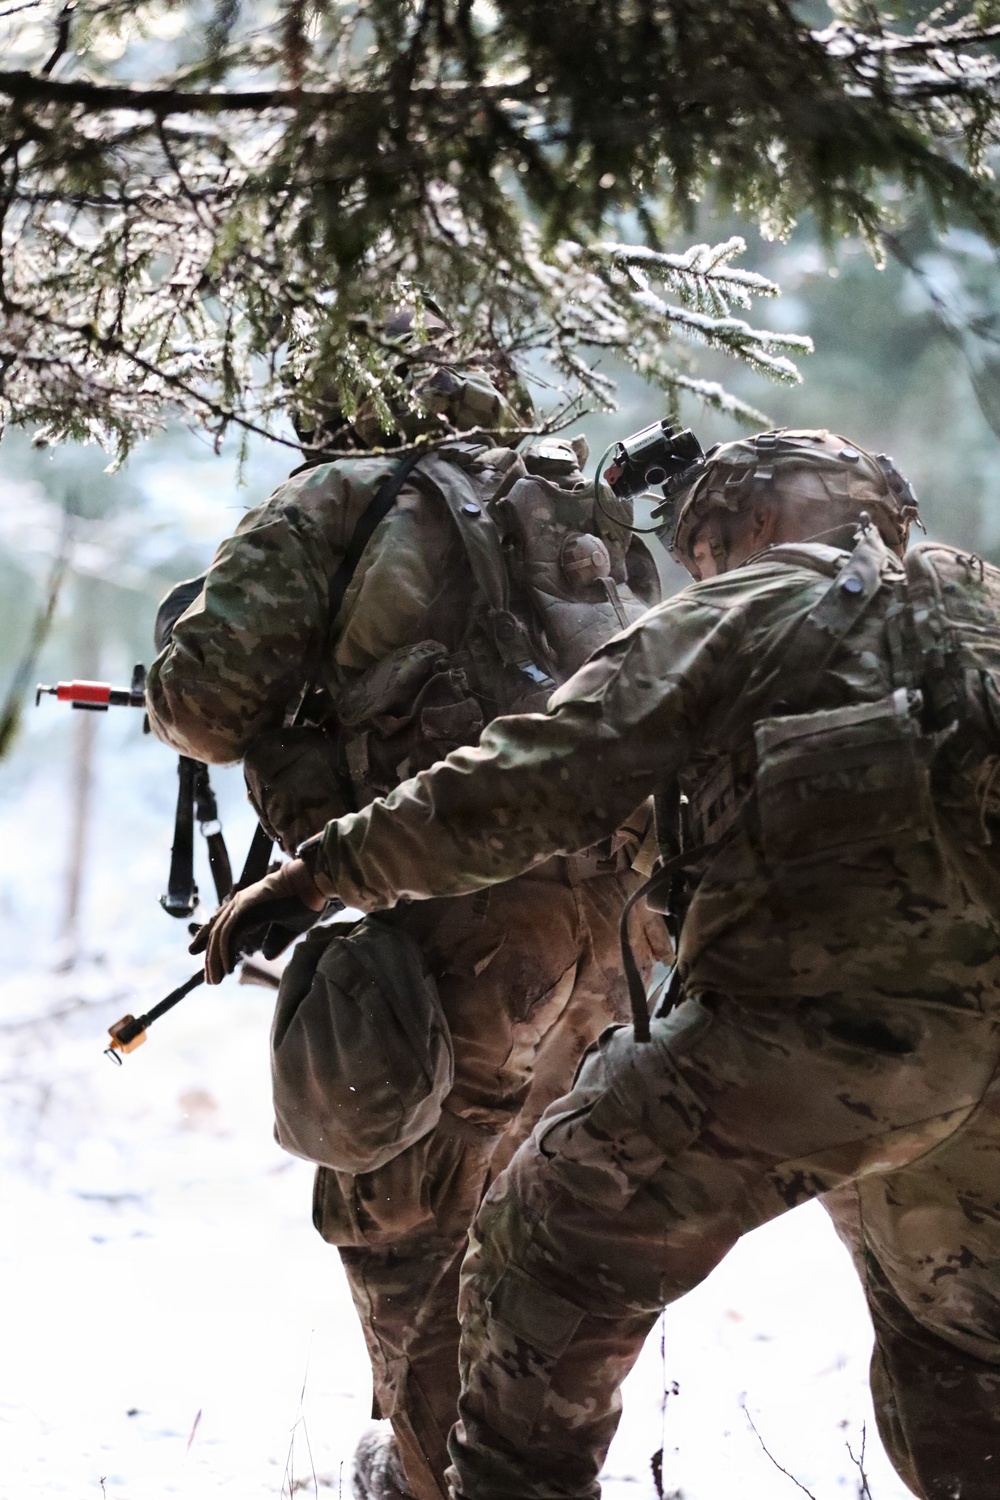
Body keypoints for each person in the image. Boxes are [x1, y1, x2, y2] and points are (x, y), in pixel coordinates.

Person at [202, 427, 1000, 1500]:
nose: (697, 561)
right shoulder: (986, 611)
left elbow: (531, 779)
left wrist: (319, 875)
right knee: (963, 1347)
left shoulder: (742, 610)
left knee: (545, 1245)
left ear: (753, 522)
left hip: (809, 1039)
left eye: (705, 536)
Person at [145, 312, 666, 1500]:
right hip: (619, 919)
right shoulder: (566, 501)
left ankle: (437, 1479)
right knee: (553, 1204)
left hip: (449, 909)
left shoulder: (339, 497)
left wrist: (179, 665)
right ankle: (528, 1466)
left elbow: (207, 702)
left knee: (409, 1214)